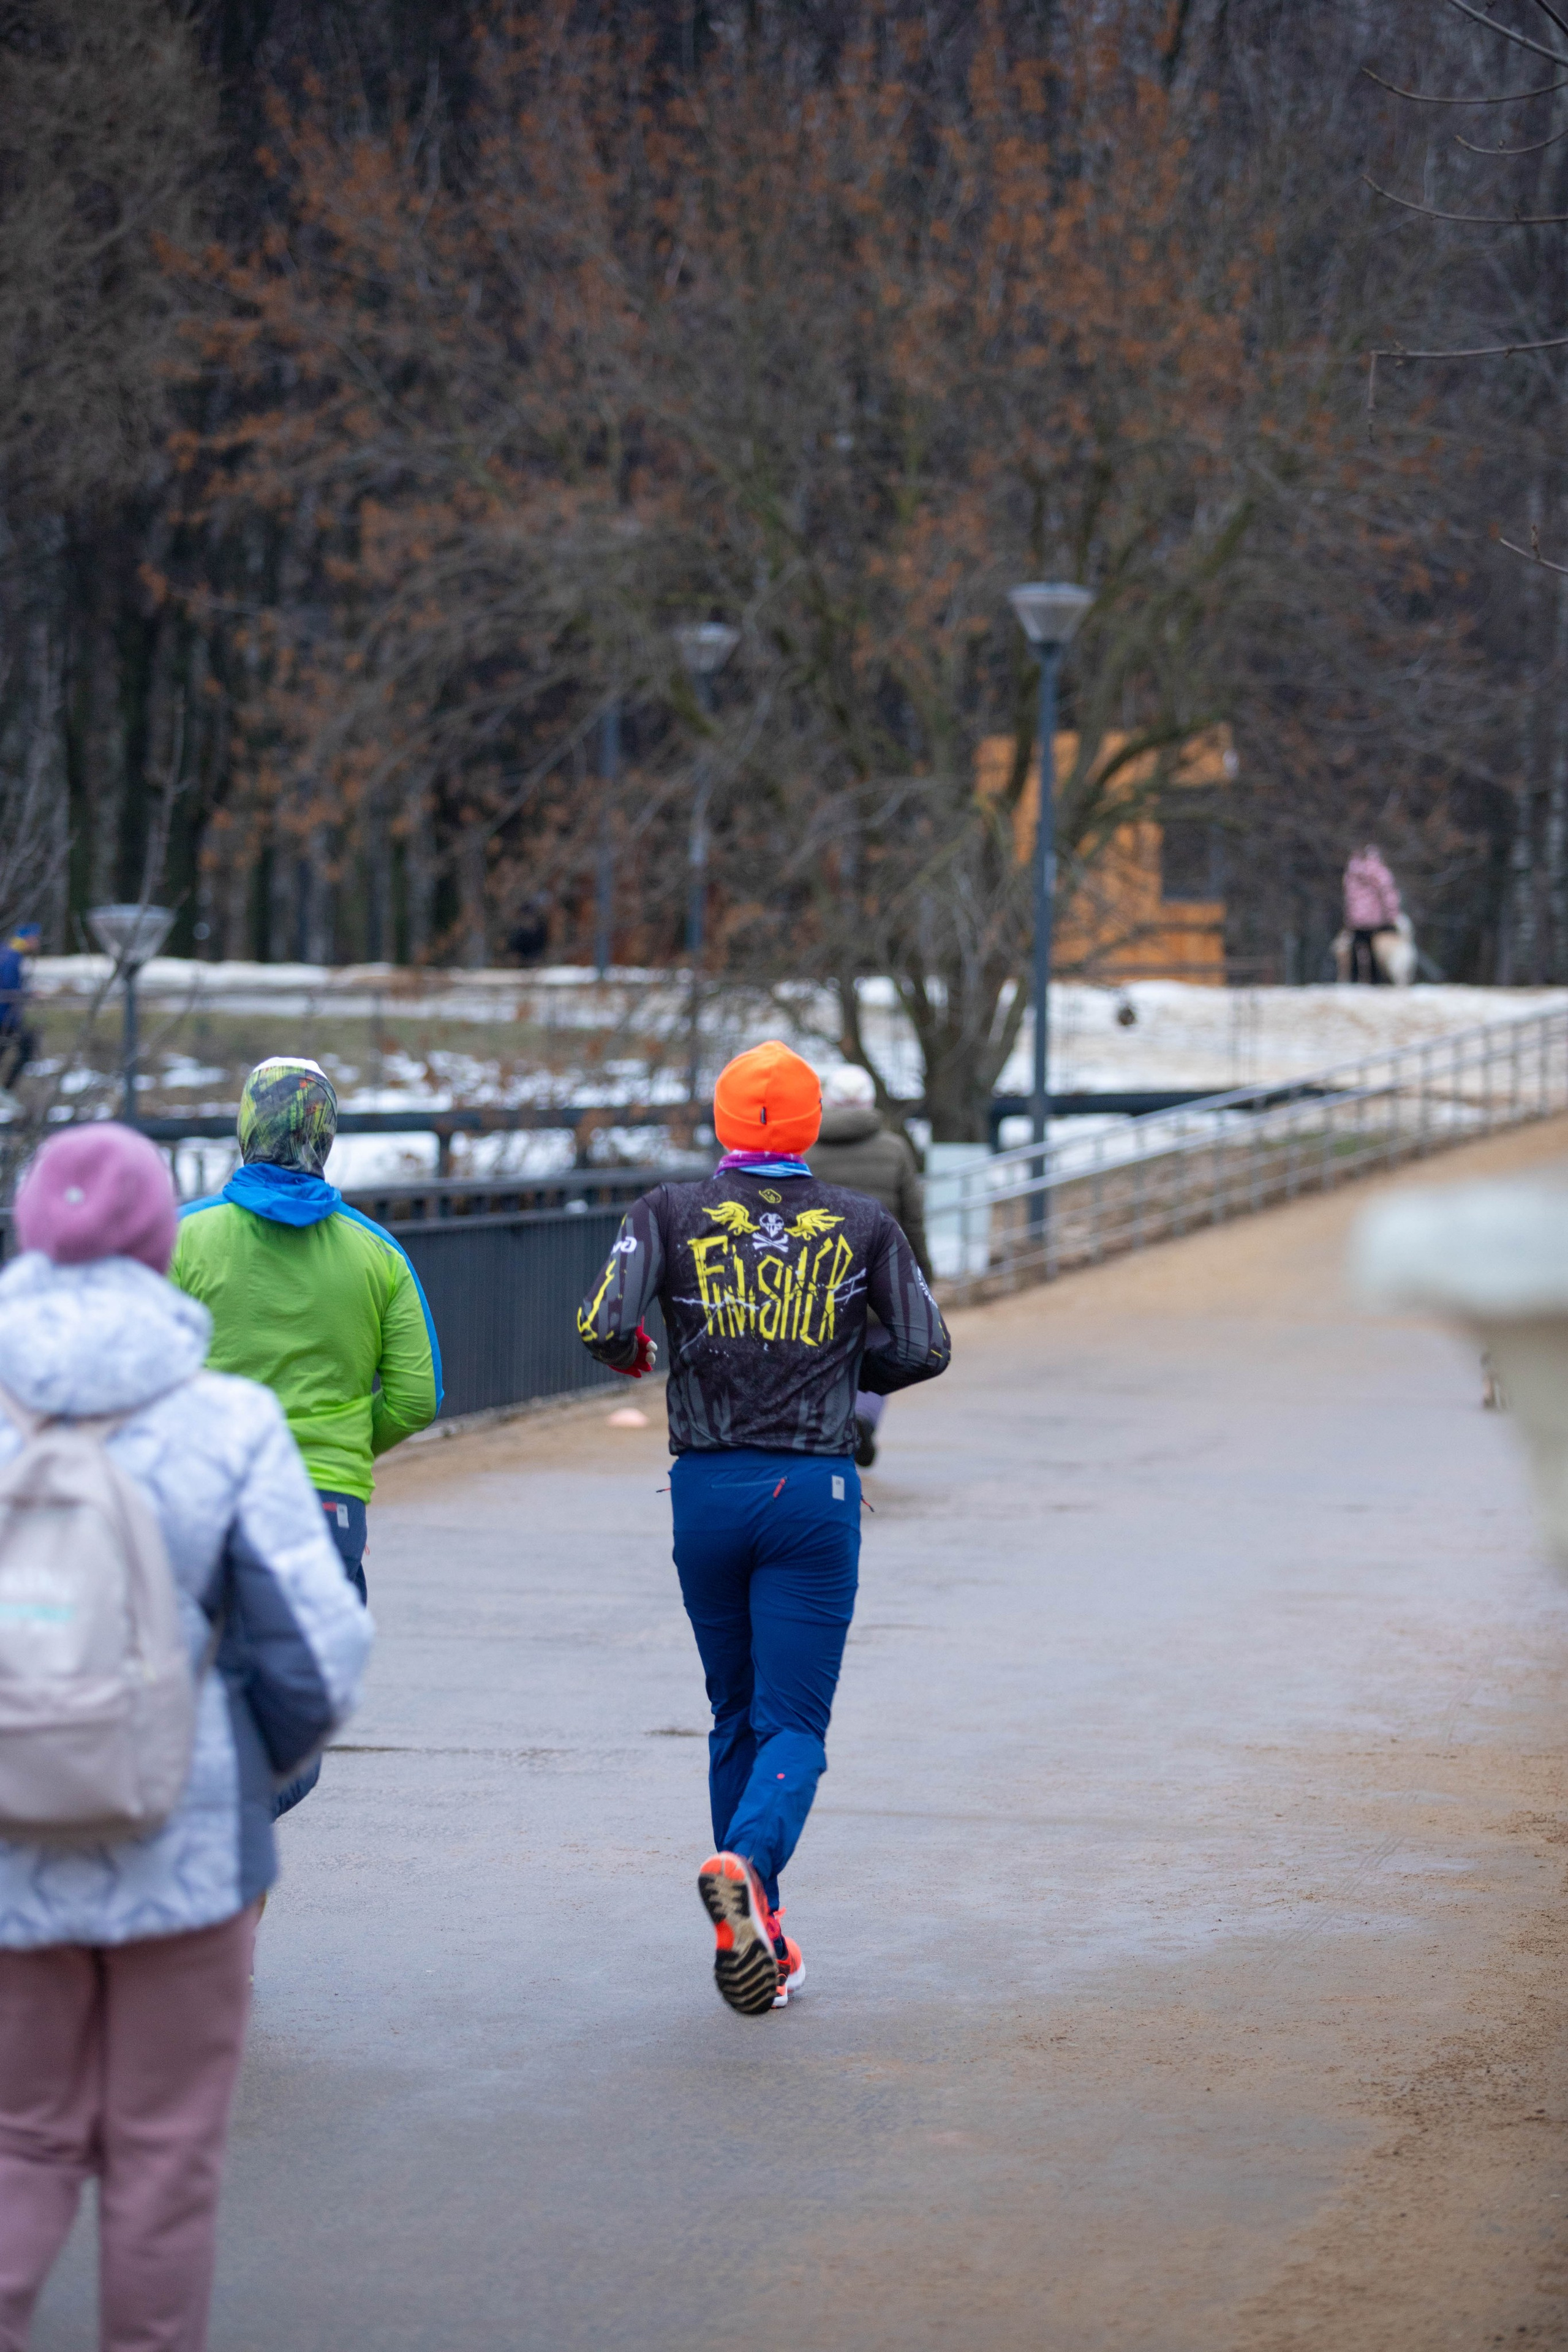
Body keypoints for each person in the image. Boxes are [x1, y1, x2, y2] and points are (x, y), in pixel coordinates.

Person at [0, 1122, 371, 2352]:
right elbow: (317, 1658)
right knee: (163, 2163)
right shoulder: (228, 1424)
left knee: (20, 2140)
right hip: (190, 1853)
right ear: (164, 1244)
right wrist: (231, 1769)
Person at [578, 1039, 951, 2015]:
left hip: (704, 1490)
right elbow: (924, 1346)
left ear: (724, 1124)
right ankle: (745, 1868)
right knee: (795, 1723)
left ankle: (762, 1937)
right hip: (812, 1495)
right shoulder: (863, 1224)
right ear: (811, 1126)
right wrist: (844, 1379)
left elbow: (602, 1324)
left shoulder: (664, 1212)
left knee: (733, 1713)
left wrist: (645, 1358)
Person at [169, 1057, 440, 1814]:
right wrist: (350, 1446)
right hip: (324, 1505)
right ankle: (226, 1860)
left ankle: (201, 1849)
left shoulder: (183, 1239)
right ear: (328, 1137)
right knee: (294, 1729)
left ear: (245, 1126)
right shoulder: (378, 1254)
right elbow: (419, 1397)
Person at [805, 1063, 933, 1468]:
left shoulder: (806, 1152)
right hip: (879, 1279)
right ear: (869, 1101)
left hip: (819, 1284)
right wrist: (922, 1276)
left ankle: (828, 1429)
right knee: (879, 1352)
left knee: (824, 1359)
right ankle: (862, 1416)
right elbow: (913, 1220)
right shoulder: (894, 1150)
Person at [1342, 845, 1401, 985]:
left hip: (1356, 919)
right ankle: (1376, 980)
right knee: (1374, 950)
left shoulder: (1351, 872)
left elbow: (1349, 898)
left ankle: (1354, 979)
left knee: (1356, 948)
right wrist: (1392, 915)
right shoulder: (1380, 872)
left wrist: (1349, 918)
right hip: (1376, 918)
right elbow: (1388, 894)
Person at [0, 924, 40, 1093]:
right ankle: (7, 1091)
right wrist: (28, 994)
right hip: (5, 1017)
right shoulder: (12, 956)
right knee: (27, 1047)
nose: (37, 943)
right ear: (28, 939)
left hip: (8, 1017)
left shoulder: (8, 952)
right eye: (35, 939)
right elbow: (9, 986)